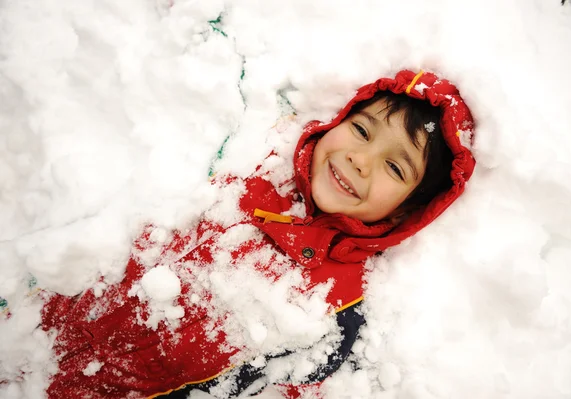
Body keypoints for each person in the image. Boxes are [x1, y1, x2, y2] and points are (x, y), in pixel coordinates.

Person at [40, 70, 476, 399]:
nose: (361, 160)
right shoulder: (255, 149)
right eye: (362, 130)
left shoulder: (338, 311)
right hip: (39, 313)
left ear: (408, 209)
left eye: (395, 167)